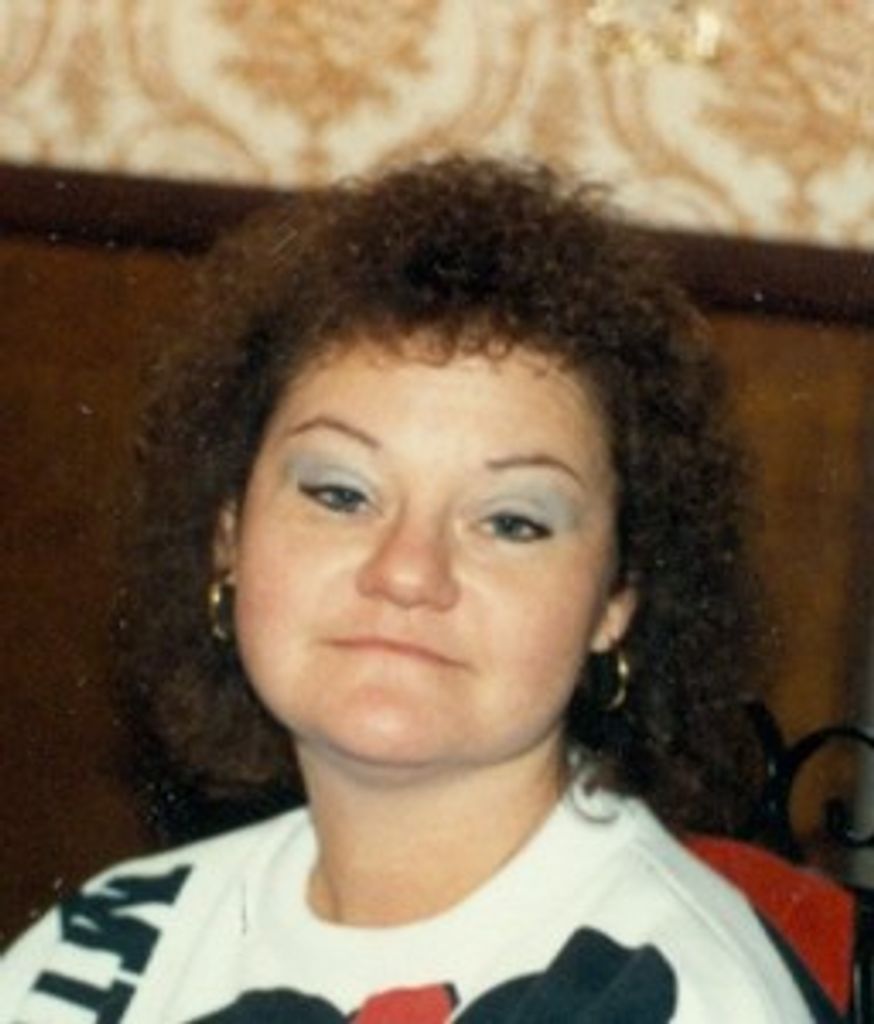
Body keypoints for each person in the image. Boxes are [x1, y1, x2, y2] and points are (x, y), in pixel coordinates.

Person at [0, 157, 833, 1022]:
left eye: (510, 522)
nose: (406, 572)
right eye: (340, 495)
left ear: (617, 600)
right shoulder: (94, 947)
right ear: (228, 537)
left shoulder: (674, 993)